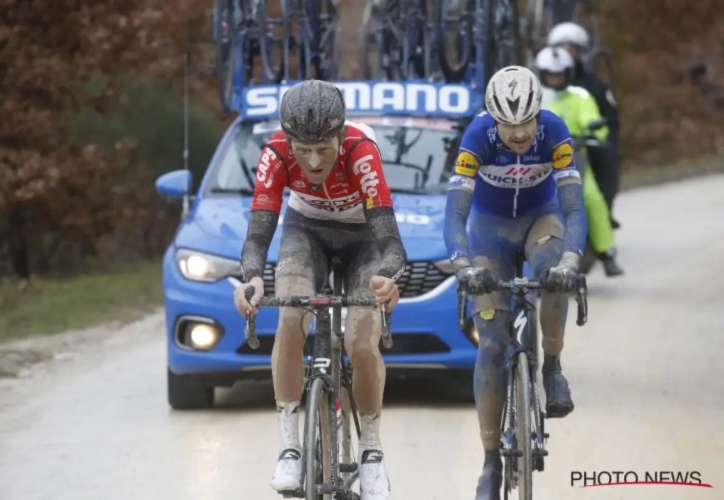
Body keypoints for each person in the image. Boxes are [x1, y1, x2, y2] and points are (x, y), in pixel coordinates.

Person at [233, 79, 406, 500]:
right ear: (288, 140)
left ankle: (371, 452)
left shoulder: (361, 152)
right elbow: (258, 236)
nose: (312, 162)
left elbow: (391, 243)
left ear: (340, 137)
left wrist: (387, 277)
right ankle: (290, 444)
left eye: (323, 149)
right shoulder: (274, 153)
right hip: (304, 232)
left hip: (362, 237)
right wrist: (252, 277)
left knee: (360, 342)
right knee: (291, 316)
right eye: (302, 149)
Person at [443, 66, 587, 500]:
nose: (520, 134)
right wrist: (465, 265)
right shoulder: (477, 138)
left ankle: (552, 367)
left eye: (527, 121)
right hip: (489, 234)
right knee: (490, 343)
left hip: (540, 221)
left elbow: (574, 210)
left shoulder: (554, 132)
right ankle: (490, 461)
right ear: (493, 120)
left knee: (553, 273)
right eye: (510, 124)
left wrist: (571, 259)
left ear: (539, 114)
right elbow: (454, 216)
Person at [535, 46, 624, 277]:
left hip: (575, 158)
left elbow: (592, 120)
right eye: (550, 75)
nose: (555, 79)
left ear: (568, 73)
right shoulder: (535, 97)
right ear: (541, 73)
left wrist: (592, 132)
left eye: (559, 74)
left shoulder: (579, 96)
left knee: (593, 200)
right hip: (538, 161)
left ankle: (606, 254)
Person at [547, 22, 621, 228]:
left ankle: (602, 225)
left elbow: (608, 117)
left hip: (585, 144)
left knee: (601, 176)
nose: (567, 54)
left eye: (571, 48)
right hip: (550, 146)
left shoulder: (592, 84)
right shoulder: (541, 82)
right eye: (562, 48)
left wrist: (602, 139)